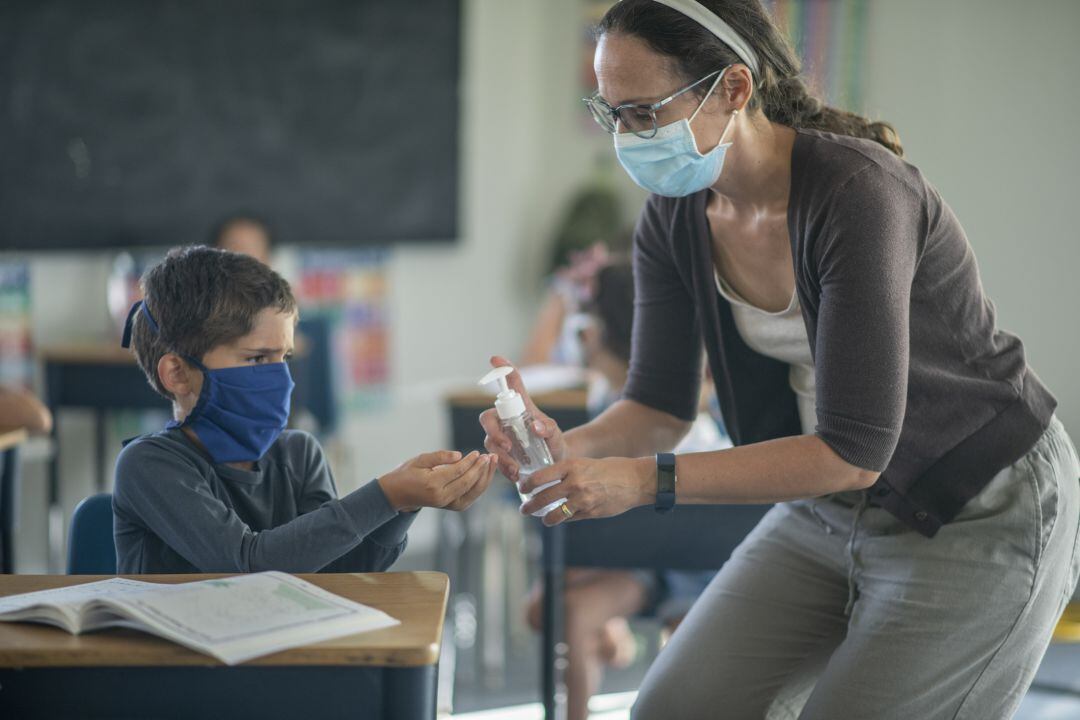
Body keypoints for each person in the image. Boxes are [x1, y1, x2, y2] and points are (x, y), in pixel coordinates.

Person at [481, 1, 1079, 718]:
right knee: (671, 708)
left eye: (644, 113)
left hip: (974, 505)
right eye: (612, 114)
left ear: (734, 89)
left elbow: (856, 449)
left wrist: (640, 482)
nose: (627, 138)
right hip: (827, 509)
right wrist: (562, 450)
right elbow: (659, 408)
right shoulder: (673, 219)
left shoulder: (856, 193)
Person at [113, 246, 496, 574]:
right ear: (178, 374)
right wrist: (385, 495)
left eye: (285, 356)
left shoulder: (299, 454)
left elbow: (337, 571)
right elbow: (248, 566)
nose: (280, 377)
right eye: (258, 358)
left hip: (280, 653)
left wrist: (405, 502)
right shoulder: (149, 465)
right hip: (180, 660)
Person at [523, 259, 728, 720]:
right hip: (637, 562)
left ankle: (611, 634)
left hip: (690, 567)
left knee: (558, 595)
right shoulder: (606, 398)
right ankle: (601, 652)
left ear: (597, 334)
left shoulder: (682, 414)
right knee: (556, 605)